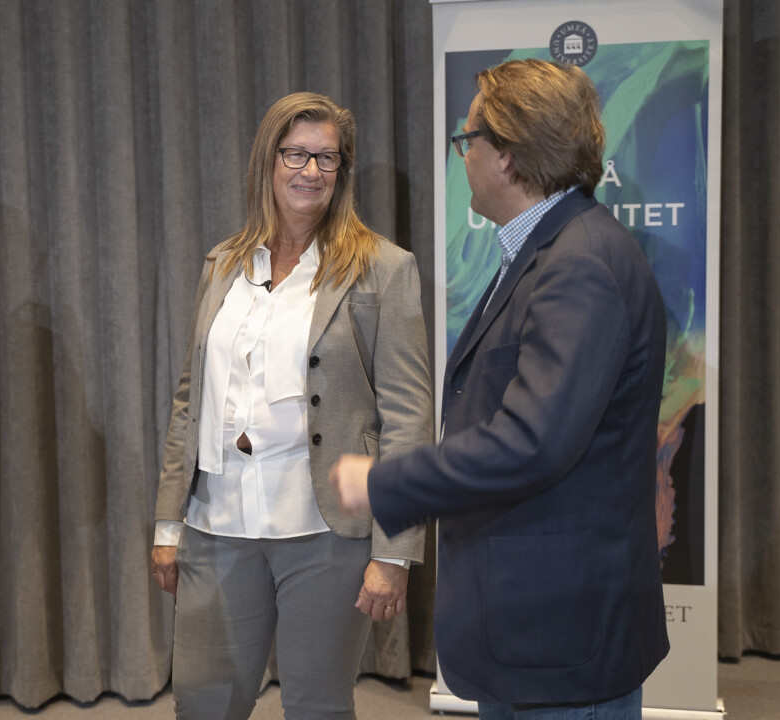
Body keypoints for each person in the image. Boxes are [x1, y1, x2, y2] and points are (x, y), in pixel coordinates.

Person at [331, 59, 670, 719]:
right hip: (536, 627)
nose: (463, 157)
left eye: (468, 141)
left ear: (507, 157)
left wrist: (385, 482)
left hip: (558, 640)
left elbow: (532, 440)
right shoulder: (555, 250)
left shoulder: (579, 267)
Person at [152, 92, 431, 719]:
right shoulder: (223, 263)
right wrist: (169, 524)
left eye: (327, 159)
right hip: (214, 523)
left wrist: (394, 553)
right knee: (202, 704)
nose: (311, 172)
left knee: (317, 706)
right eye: (296, 154)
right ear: (267, 161)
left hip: (324, 529)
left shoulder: (384, 270)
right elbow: (189, 400)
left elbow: (409, 420)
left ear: (343, 170)